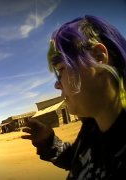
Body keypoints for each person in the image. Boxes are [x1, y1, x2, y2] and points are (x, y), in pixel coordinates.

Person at [21, 15, 126, 179]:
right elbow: (78, 161)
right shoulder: (92, 128)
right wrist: (49, 142)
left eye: (61, 69)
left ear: (98, 57)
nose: (57, 85)